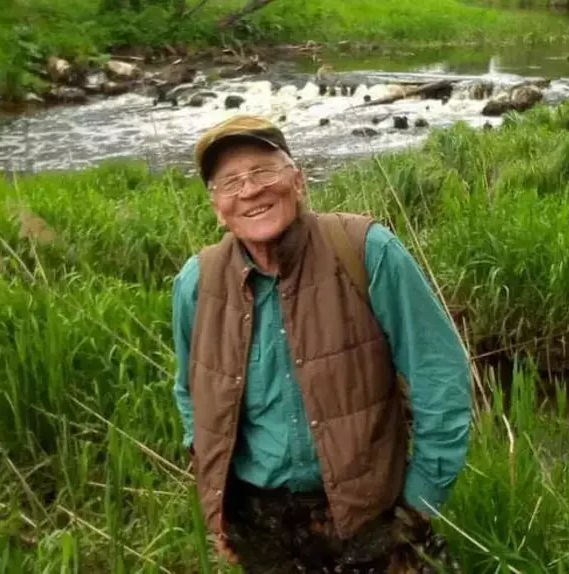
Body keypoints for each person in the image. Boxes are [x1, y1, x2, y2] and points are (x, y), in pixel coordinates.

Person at [171, 114, 472, 573]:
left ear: (298, 181)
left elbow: (440, 374)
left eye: (263, 171)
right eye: (230, 182)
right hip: (260, 523)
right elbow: (190, 393)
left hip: (371, 515)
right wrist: (220, 506)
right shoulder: (197, 282)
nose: (249, 190)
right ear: (217, 207)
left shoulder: (366, 250)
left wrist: (421, 498)